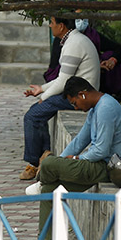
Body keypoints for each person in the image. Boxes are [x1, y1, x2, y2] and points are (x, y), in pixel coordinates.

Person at [18, 76, 121, 240]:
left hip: (108, 168)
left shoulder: (106, 108)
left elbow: (101, 150)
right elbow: (80, 140)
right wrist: (62, 161)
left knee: (47, 164)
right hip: (95, 164)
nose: (75, 107)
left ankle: (42, 182)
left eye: (75, 102)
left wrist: (76, 159)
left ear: (83, 94)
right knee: (50, 189)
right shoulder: (96, 108)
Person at [18, 16, 100, 180]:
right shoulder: (73, 40)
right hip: (74, 91)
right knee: (36, 113)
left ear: (61, 26)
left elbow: (64, 81)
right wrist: (42, 89)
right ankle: (45, 155)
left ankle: (34, 163)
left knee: (33, 115)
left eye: (52, 22)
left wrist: (45, 96)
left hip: (80, 96)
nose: (50, 25)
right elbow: (63, 77)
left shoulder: (74, 44)